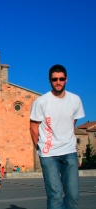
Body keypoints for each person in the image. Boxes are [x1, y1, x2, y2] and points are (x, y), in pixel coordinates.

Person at [30, 64, 85, 209]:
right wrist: (40, 147)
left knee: (73, 195)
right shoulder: (41, 102)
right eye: (55, 79)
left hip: (69, 152)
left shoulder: (75, 100)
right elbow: (33, 127)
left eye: (61, 79)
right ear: (50, 80)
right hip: (49, 154)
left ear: (66, 79)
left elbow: (72, 121)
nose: (58, 82)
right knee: (55, 195)